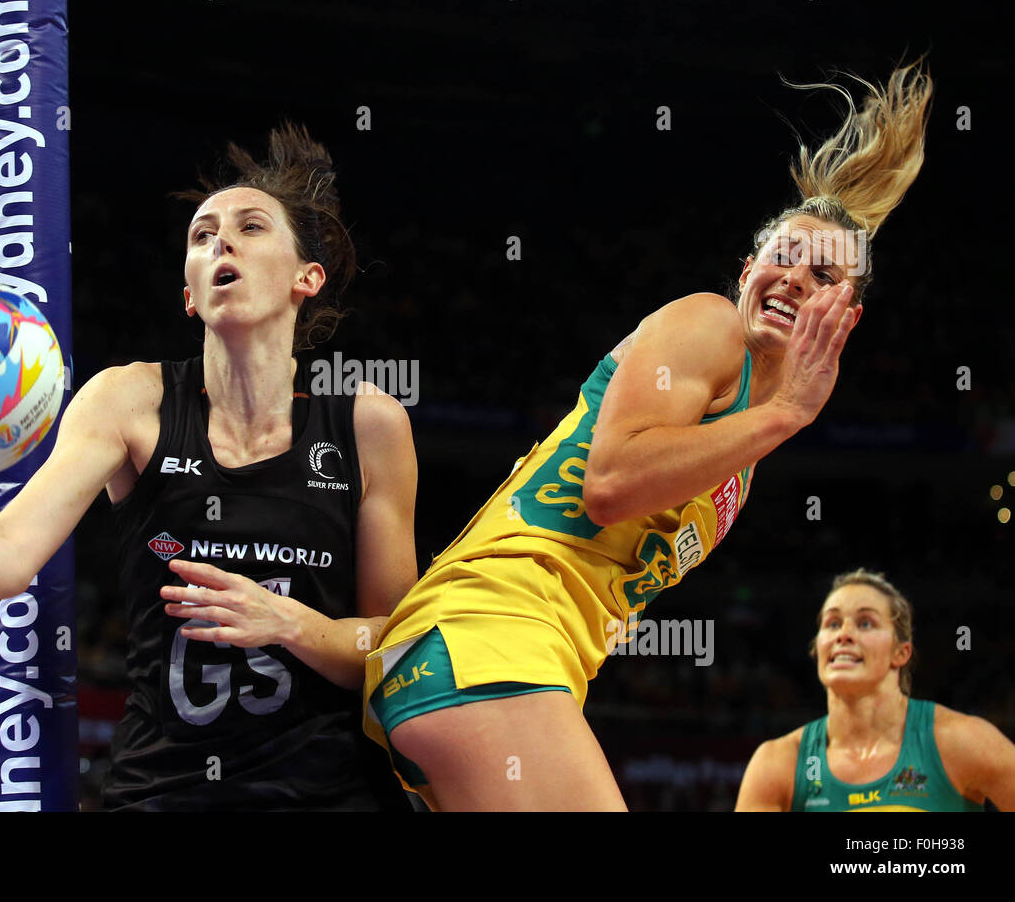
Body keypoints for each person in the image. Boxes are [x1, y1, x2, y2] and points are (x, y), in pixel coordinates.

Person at [0, 123, 419, 811]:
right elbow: (6, 548)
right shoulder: (130, 401)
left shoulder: (368, 424)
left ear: (308, 277)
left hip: (328, 794)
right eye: (202, 236)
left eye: (249, 227)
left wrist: (289, 622)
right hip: (161, 791)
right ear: (190, 292)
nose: (220, 243)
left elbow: (393, 642)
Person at [362, 60, 934, 810]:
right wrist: (785, 414)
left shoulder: (743, 452)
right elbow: (611, 485)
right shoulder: (712, 325)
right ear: (746, 271)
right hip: (485, 641)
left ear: (847, 319)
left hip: (475, 665)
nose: (795, 277)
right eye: (783, 256)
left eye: (825, 276)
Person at [735, 569, 1015, 811]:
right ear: (817, 648)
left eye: (865, 622)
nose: (843, 635)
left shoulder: (960, 741)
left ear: (901, 652)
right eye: (832, 623)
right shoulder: (779, 762)